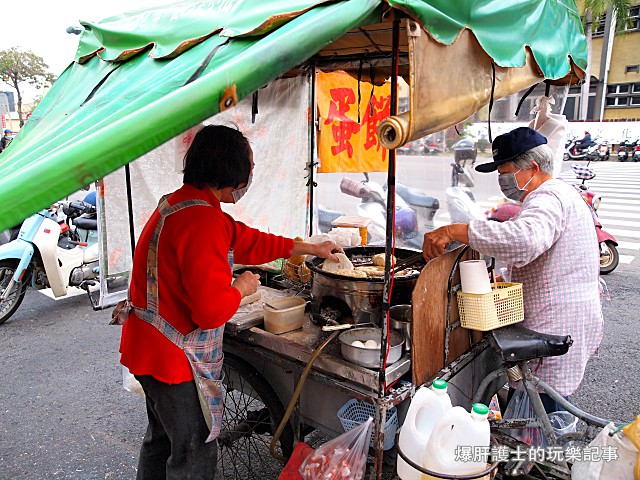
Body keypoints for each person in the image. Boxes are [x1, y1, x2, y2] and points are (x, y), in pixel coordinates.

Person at [119, 124, 342, 480]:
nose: (249, 178)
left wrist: (311, 248)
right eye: (248, 170)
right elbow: (209, 313)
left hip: (146, 347)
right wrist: (242, 287)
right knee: (193, 453)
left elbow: (247, 239)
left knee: (161, 442)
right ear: (232, 174)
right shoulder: (201, 221)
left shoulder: (180, 203)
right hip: (174, 362)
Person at [422, 127, 603, 413]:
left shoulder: (547, 198)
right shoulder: (558, 193)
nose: (502, 181)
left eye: (504, 172)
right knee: (545, 404)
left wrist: (456, 230)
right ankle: (536, 449)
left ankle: (538, 455)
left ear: (531, 167)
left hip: (556, 322)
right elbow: (546, 260)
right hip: (569, 314)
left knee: (542, 408)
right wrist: (502, 279)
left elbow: (523, 242)